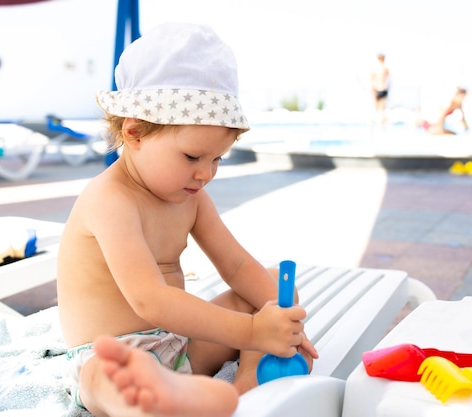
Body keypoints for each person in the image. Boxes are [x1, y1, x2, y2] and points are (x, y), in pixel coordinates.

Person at [57, 22, 318, 417]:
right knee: (100, 376)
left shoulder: (192, 198)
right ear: (135, 133)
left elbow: (237, 265)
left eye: (217, 159)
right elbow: (150, 300)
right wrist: (251, 332)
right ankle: (146, 405)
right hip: (116, 357)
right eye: (193, 157)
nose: (206, 173)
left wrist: (280, 329)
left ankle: (248, 377)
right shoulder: (109, 200)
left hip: (178, 347)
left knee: (274, 289)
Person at [371, 53, 390, 126]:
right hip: (383, 89)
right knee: (382, 109)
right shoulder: (385, 68)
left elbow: (372, 81)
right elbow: (388, 80)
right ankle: (381, 124)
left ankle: (376, 124)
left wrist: (373, 90)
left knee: (377, 108)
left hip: (377, 89)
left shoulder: (374, 69)